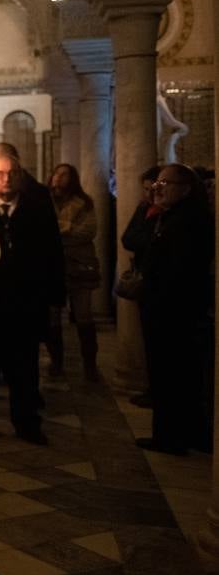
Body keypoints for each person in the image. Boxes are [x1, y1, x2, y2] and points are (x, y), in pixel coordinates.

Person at [122, 163, 214, 455]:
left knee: (173, 375)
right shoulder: (170, 215)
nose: (158, 190)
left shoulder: (189, 220)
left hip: (174, 309)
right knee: (171, 375)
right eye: (157, 185)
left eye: (166, 185)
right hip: (165, 306)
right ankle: (184, 434)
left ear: (186, 189)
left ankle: (172, 438)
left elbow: (175, 264)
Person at [0, 154, 64, 445]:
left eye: (12, 172)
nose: (6, 178)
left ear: (21, 175)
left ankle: (27, 423)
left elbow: (53, 254)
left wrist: (54, 301)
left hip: (26, 301)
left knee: (24, 367)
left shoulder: (37, 207)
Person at [47, 163, 101, 381]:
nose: (59, 178)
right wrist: (65, 229)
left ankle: (90, 365)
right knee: (52, 317)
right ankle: (56, 362)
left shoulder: (83, 203)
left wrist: (58, 233)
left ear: (73, 178)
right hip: (53, 266)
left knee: (83, 316)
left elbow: (87, 231)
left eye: (64, 174)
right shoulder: (44, 201)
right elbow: (41, 230)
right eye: (57, 173)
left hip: (79, 265)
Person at [122, 165, 162, 407]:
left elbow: (147, 242)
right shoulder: (145, 209)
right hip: (146, 282)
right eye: (145, 189)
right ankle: (152, 388)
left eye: (153, 189)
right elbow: (128, 238)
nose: (148, 194)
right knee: (150, 340)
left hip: (160, 286)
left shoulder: (165, 214)